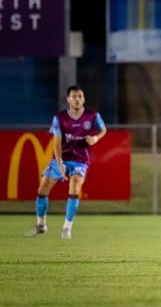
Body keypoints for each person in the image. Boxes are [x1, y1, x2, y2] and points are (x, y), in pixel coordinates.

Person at [25, 85, 107, 239]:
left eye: (80, 96)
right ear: (68, 99)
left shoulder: (93, 116)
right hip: (61, 159)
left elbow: (104, 130)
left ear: (83, 99)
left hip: (80, 161)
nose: (78, 99)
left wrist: (95, 138)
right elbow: (56, 142)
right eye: (74, 96)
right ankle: (41, 224)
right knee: (42, 188)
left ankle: (67, 228)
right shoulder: (59, 118)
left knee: (75, 186)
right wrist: (60, 163)